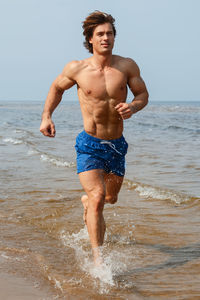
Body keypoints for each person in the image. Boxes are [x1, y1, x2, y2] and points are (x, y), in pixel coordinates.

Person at [40, 11, 149, 265]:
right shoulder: (77, 68)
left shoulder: (127, 66)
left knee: (109, 198)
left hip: (117, 145)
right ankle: (98, 259)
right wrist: (47, 116)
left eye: (109, 33)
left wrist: (133, 106)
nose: (105, 38)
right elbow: (57, 87)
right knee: (98, 197)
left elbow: (142, 94)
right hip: (89, 143)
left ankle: (87, 203)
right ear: (90, 39)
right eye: (100, 34)